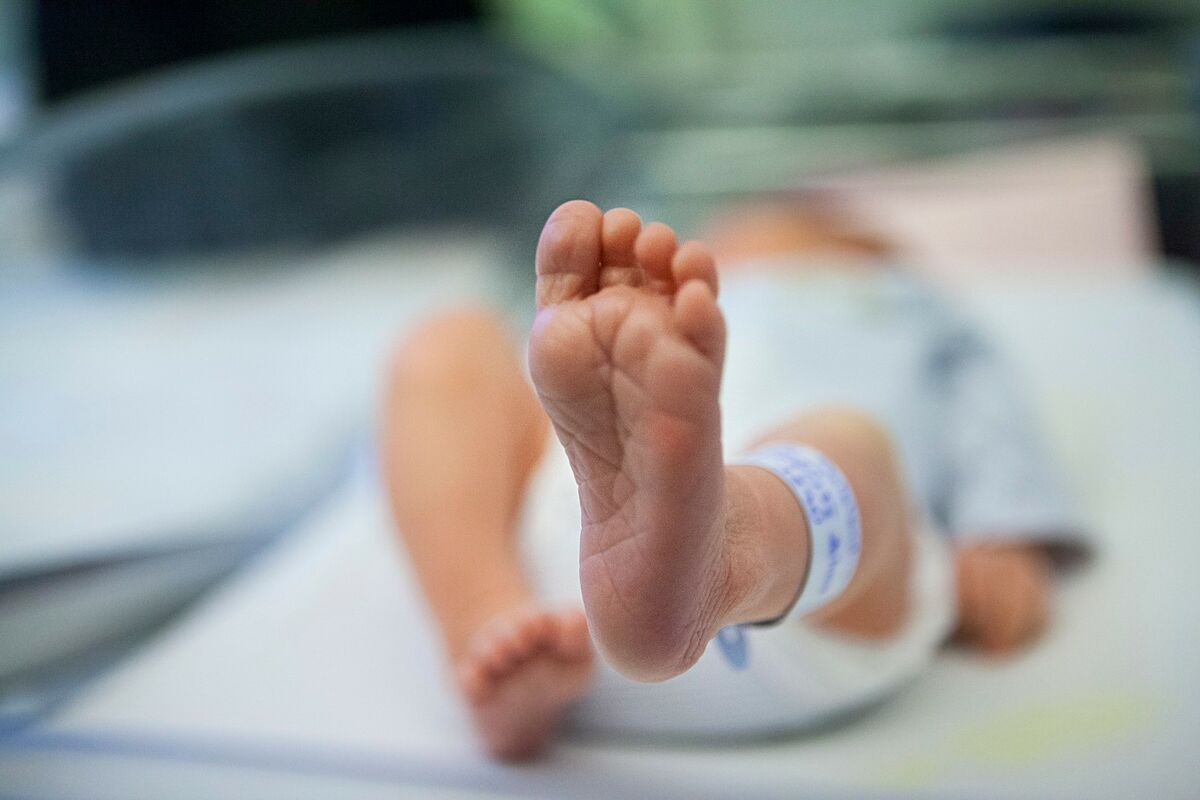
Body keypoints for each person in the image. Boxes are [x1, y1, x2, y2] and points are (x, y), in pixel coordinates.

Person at [380, 200, 1088, 760]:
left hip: (819, 583)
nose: (751, 237)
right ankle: (487, 621)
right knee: (452, 341)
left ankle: (729, 550)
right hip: (556, 599)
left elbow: (989, 407)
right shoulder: (639, 316)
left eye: (785, 226)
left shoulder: (903, 303)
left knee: (847, 442)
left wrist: (1004, 527)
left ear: (859, 251)